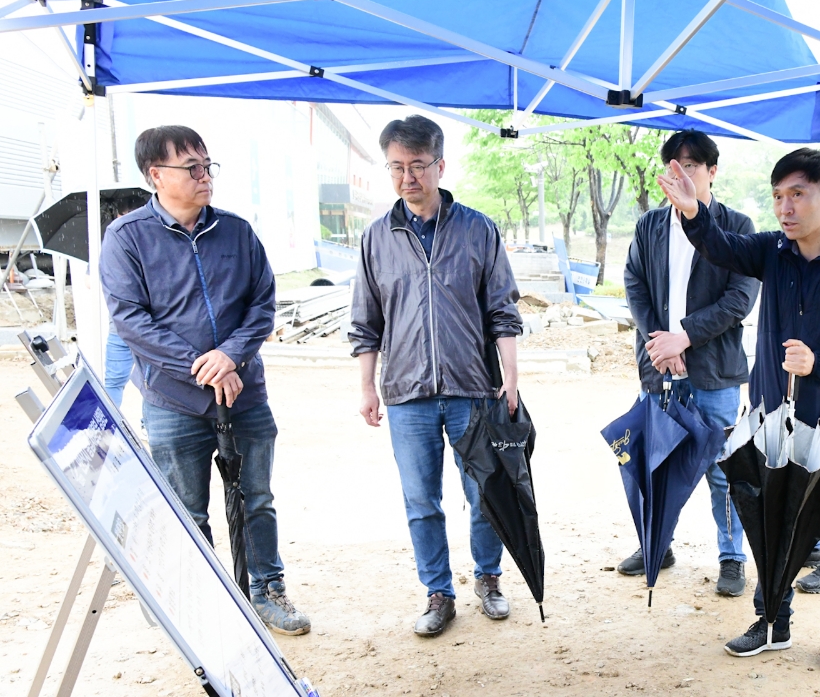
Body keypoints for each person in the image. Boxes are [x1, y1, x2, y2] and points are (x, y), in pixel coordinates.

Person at [658, 147, 820, 675]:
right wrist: (693, 211)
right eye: (778, 196)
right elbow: (720, 245)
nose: (785, 208)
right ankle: (772, 620)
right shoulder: (771, 251)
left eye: (797, 194)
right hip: (771, 413)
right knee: (768, 518)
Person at [100, 125, 310, 635]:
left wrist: (230, 357)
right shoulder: (126, 238)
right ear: (156, 175)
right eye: (191, 167)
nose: (204, 176)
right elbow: (131, 321)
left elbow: (262, 304)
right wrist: (203, 365)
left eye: (207, 165)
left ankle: (266, 590)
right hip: (173, 401)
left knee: (256, 498)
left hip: (243, 393)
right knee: (186, 510)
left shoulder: (237, 232)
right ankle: (199, 602)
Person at [349, 115, 522, 639]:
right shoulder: (376, 238)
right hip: (407, 394)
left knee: (484, 492)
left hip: (473, 389)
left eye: (418, 166)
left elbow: (503, 309)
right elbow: (366, 321)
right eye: (397, 167)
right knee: (421, 502)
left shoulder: (478, 229)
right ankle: (438, 592)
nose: (408, 178)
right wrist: (367, 387)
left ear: (440, 166)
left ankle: (488, 578)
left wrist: (510, 378)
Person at [621, 130, 760, 597]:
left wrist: (684, 337)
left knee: (723, 468)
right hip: (659, 367)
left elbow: (739, 299)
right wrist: (659, 342)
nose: (679, 174)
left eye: (692, 166)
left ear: (712, 171)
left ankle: (732, 557)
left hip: (714, 372)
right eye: (672, 166)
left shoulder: (736, 226)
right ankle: (658, 543)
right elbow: (634, 284)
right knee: (657, 460)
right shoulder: (650, 225)